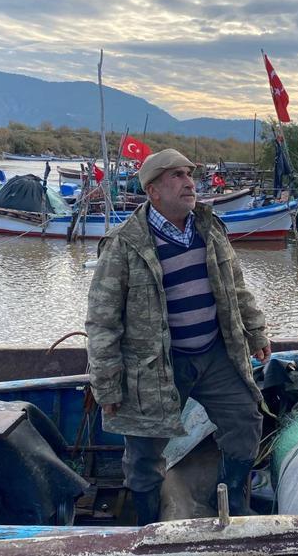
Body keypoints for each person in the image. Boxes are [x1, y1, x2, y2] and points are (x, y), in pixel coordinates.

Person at [85, 148, 272, 525]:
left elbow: (236, 288)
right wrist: (107, 387)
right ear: (153, 190)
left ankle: (233, 499)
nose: (189, 182)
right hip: (154, 366)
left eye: (189, 174)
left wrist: (255, 331)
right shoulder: (124, 245)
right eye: (176, 176)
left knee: (245, 421)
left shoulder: (209, 227)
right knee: (143, 452)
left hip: (215, 354)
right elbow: (102, 323)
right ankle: (147, 522)